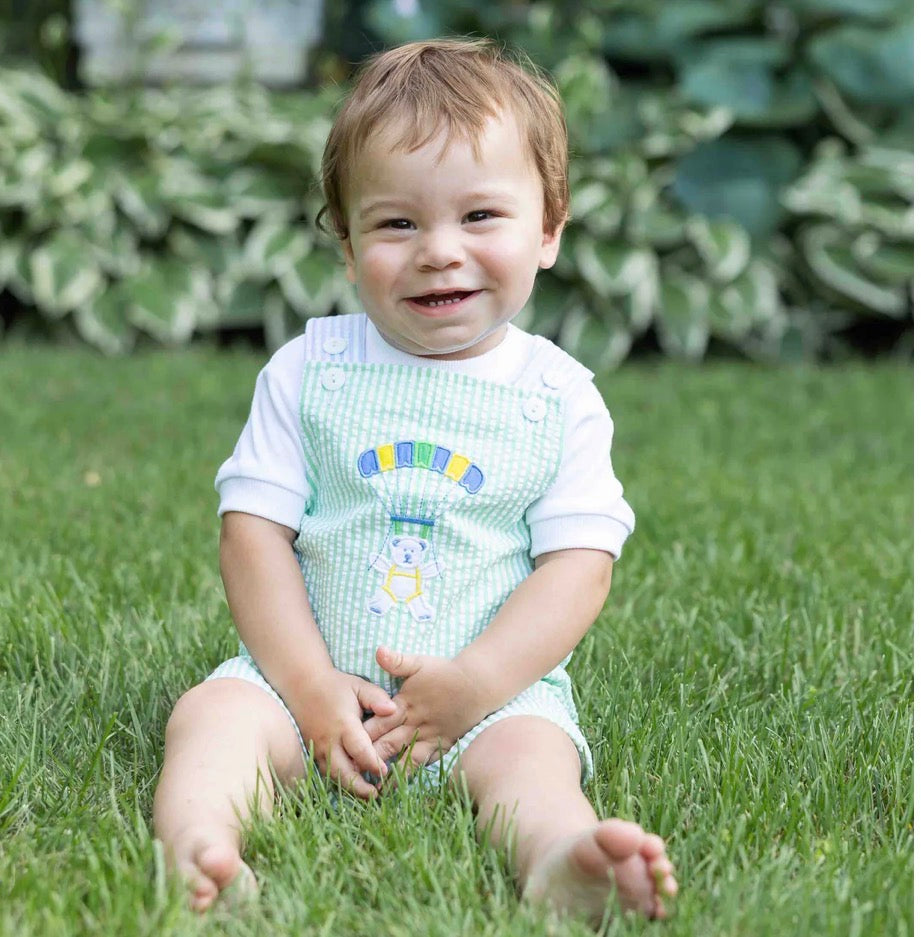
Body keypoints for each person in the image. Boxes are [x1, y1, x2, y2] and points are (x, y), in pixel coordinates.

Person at [152, 37, 678, 923]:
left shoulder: (558, 397)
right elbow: (252, 535)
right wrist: (310, 687)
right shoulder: (308, 371)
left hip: (492, 691)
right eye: (397, 223)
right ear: (348, 243)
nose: (439, 251)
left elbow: (578, 566)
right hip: (302, 678)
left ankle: (558, 856)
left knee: (530, 763)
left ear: (547, 228)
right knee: (211, 719)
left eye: (480, 217)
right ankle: (200, 844)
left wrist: (474, 683)